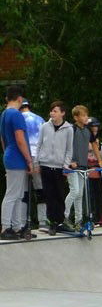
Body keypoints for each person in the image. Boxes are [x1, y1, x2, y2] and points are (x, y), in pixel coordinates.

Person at [32, 100, 74, 234]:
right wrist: (37, 163)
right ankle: (52, 222)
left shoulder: (68, 129)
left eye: (55, 111)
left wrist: (66, 165)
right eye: (51, 111)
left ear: (62, 113)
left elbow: (69, 149)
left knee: (59, 194)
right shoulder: (45, 126)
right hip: (45, 165)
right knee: (49, 195)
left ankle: (61, 221)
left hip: (59, 166)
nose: (52, 113)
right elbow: (39, 145)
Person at [1, 85, 36, 240]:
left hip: (10, 154)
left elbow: (3, 138)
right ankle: (5, 227)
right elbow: (20, 139)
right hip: (17, 158)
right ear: (20, 99)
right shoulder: (16, 115)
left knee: (18, 194)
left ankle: (16, 226)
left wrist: (6, 152)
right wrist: (29, 160)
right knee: (13, 194)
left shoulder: (4, 114)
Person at [63, 104, 93, 226]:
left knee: (80, 194)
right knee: (74, 191)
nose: (86, 117)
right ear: (76, 117)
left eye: (87, 115)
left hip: (82, 166)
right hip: (72, 166)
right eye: (83, 115)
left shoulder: (87, 131)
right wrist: (69, 162)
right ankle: (64, 216)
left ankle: (78, 219)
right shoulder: (71, 129)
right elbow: (65, 146)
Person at [19, 99, 47, 230]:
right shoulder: (40, 119)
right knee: (40, 189)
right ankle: (42, 221)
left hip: (23, 155)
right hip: (38, 155)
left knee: (23, 190)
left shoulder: (17, 118)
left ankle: (22, 222)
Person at [86, 117, 102, 225]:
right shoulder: (86, 139)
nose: (95, 128)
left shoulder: (98, 140)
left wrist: (100, 150)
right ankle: (92, 215)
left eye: (96, 126)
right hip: (88, 169)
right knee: (90, 194)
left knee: (100, 193)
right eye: (93, 126)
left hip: (98, 169)